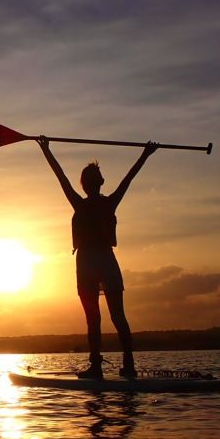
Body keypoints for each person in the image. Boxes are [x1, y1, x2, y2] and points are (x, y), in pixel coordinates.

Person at [37, 138, 158, 379]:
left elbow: (59, 175)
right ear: (99, 183)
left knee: (94, 319)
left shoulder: (79, 204)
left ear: (84, 185)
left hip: (89, 263)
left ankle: (96, 366)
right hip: (104, 260)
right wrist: (145, 154)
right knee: (118, 317)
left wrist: (46, 150)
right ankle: (128, 364)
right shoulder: (109, 203)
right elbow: (129, 178)